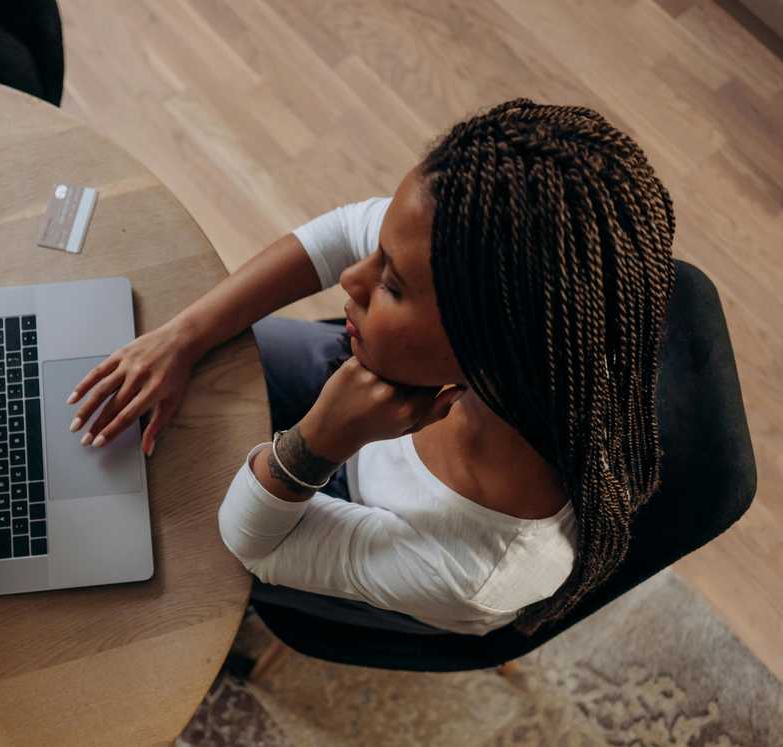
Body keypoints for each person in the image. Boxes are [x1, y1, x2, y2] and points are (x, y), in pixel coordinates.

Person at [62, 98, 676, 638]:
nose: (352, 278)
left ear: (490, 348)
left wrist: (317, 443)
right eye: (380, 254)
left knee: (154, 551)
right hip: (355, 404)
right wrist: (183, 337)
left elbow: (253, 543)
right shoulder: (476, 252)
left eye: (391, 283)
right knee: (144, 360)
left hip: (343, 502)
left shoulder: (474, 570)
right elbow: (343, 232)